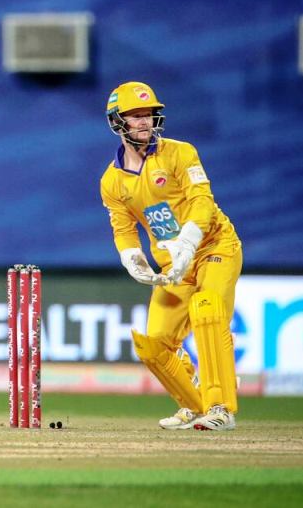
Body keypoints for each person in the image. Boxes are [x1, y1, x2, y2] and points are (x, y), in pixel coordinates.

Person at [99, 82, 242, 431]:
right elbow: (123, 228)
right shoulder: (112, 181)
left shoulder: (180, 153)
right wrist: (131, 257)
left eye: (148, 114)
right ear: (117, 122)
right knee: (154, 344)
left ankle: (221, 407)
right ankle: (194, 405)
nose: (144, 121)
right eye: (135, 115)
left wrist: (189, 241)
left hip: (213, 248)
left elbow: (201, 200)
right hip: (172, 266)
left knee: (207, 309)